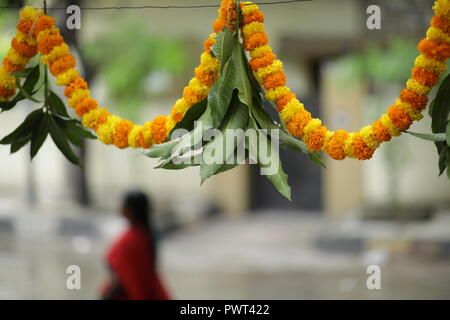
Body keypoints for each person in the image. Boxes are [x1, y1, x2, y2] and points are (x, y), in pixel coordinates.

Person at [101, 190, 170, 300]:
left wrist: (107, 295)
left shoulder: (129, 240)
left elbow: (121, 276)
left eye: (123, 204)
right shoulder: (146, 234)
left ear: (131, 210)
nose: (120, 207)